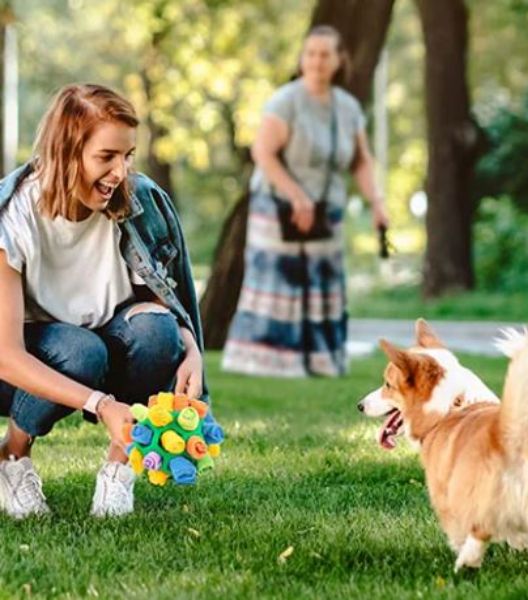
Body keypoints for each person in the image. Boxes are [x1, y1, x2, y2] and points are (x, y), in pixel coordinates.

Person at [0, 83, 220, 518]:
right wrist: (100, 404)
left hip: (109, 340)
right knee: (81, 349)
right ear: (66, 151)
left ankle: (121, 466)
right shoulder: (14, 216)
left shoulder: (138, 201)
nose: (120, 172)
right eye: (106, 157)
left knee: (157, 333)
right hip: (32, 361)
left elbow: (164, 302)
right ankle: (12, 456)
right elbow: (6, 355)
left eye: (127, 155)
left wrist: (191, 349)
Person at [222, 25, 388, 377]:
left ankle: (321, 363)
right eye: (310, 53)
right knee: (279, 285)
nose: (316, 61)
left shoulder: (347, 108)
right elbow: (263, 153)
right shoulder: (286, 101)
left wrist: (377, 203)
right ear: (302, 58)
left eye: (325, 54)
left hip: (326, 210)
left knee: (322, 286)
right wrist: (297, 197)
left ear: (339, 60)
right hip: (279, 206)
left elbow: (361, 160)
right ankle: (268, 363)